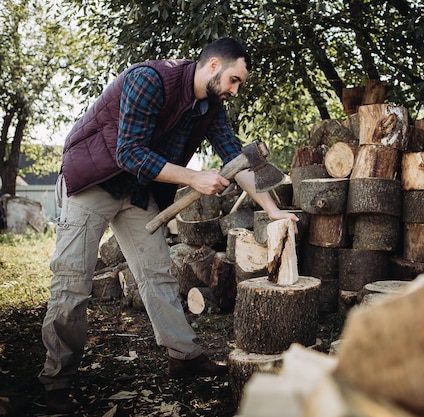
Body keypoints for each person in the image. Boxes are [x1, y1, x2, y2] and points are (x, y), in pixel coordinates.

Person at [38, 37, 298, 414]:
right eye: (234, 80)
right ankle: (56, 382)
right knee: (72, 280)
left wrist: (273, 210)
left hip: (138, 191)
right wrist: (194, 178)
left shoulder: (209, 106)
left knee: (157, 271)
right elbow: (128, 152)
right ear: (212, 66)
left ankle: (184, 356)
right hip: (92, 182)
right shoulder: (151, 79)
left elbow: (236, 158)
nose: (234, 90)